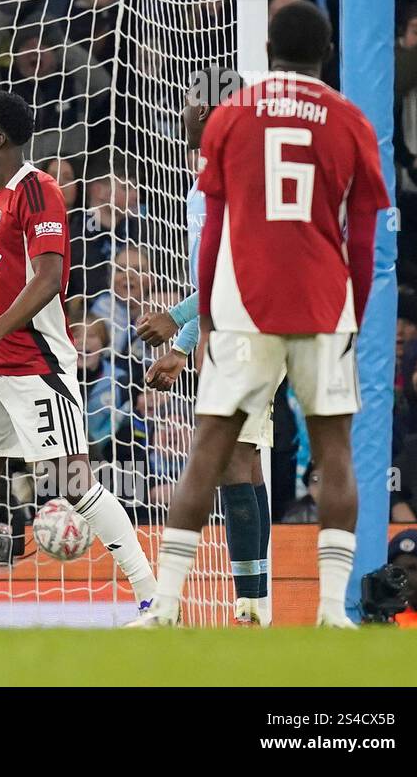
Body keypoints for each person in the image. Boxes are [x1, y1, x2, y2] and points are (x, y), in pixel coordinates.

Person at [135, 1, 391, 629]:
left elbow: (215, 237)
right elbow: (363, 239)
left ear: (269, 46)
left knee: (209, 450)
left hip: (246, 309)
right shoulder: (351, 119)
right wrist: (350, 314)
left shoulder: (233, 119)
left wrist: (205, 327)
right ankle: (332, 608)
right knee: (334, 455)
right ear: (327, 48)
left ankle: (166, 602)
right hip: (324, 305)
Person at [0, 89, 157, 626]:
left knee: (72, 483)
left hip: (35, 365)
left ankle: (153, 598)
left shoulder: (38, 190)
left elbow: (49, 280)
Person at [137, 76, 273, 625]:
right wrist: (184, 344)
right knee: (243, 460)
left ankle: (243, 604)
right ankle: (255, 605)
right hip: (238, 329)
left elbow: (238, 267)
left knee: (227, 459)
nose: (189, 113)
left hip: (252, 328)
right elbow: (214, 276)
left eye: (200, 104)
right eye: (189, 103)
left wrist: (176, 318)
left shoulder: (240, 175)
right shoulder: (205, 180)